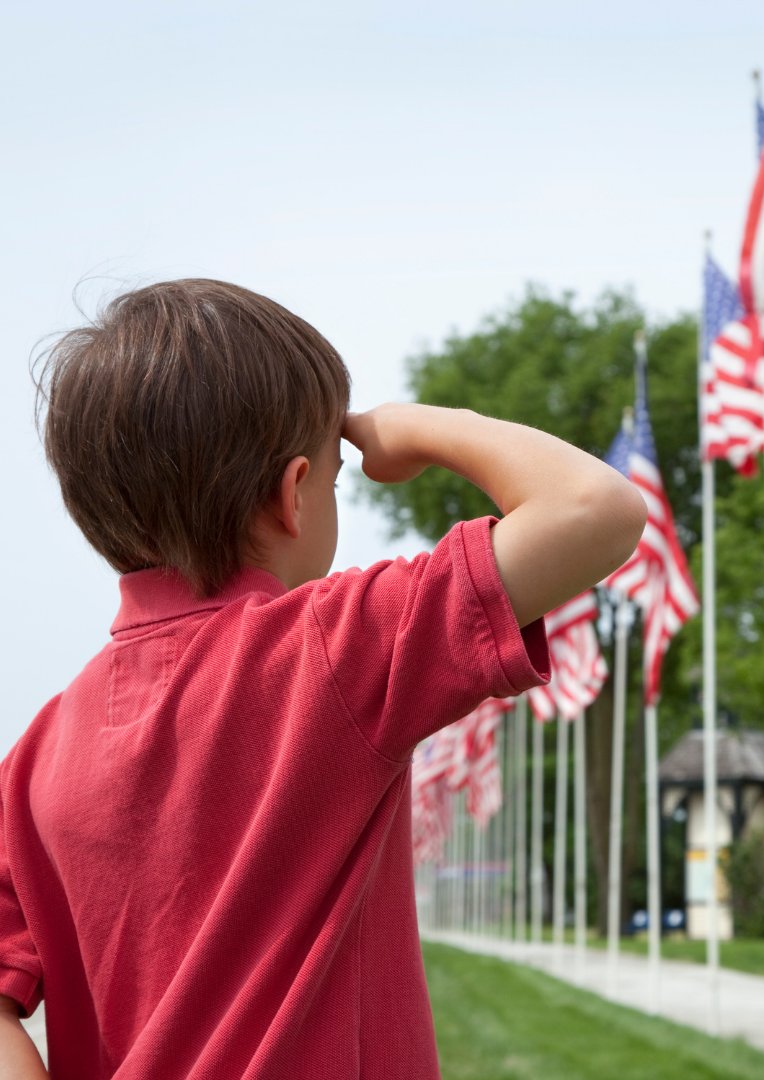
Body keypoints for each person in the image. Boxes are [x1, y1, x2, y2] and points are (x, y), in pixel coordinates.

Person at [1, 279, 646, 1078]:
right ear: (293, 496)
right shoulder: (332, 649)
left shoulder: (34, 759)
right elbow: (595, 508)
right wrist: (416, 427)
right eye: (335, 478)